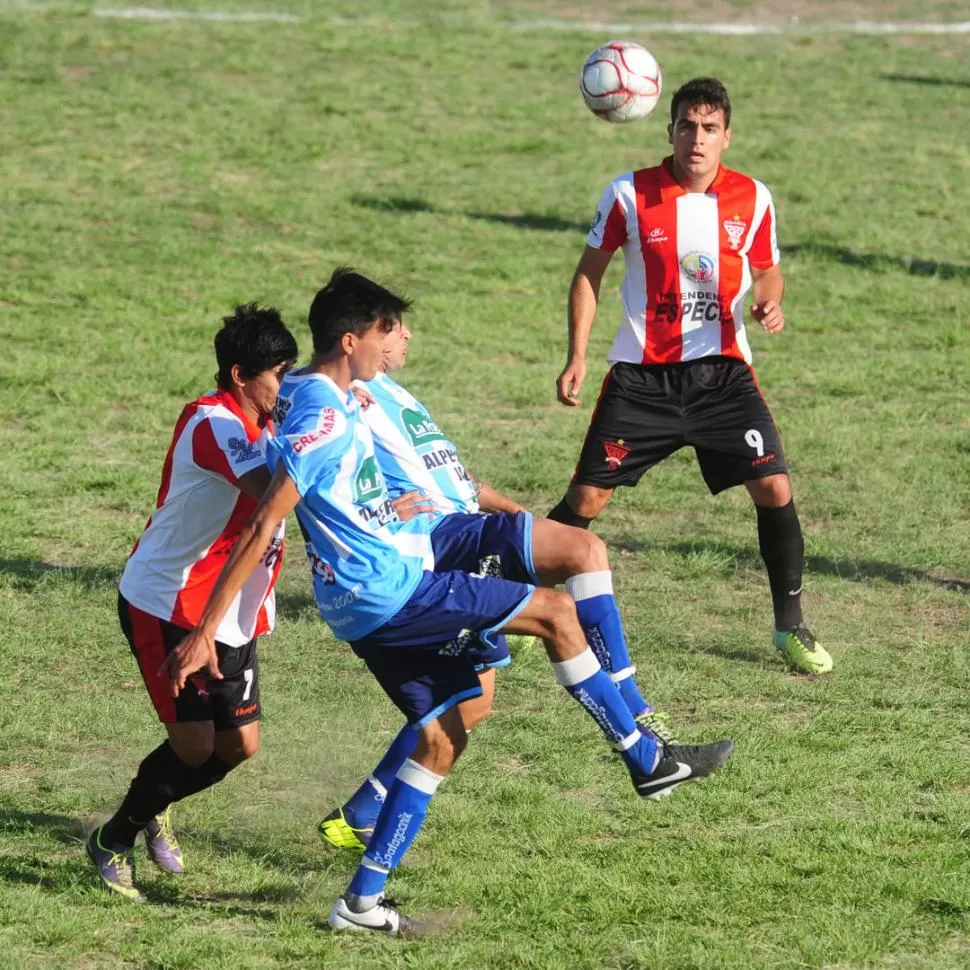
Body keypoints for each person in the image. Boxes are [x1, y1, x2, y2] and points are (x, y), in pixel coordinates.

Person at [161, 267, 734, 935]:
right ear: (350, 341)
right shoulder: (319, 408)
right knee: (554, 613)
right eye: (386, 331)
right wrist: (205, 631)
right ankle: (643, 756)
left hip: (369, 596)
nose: (395, 341)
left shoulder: (342, 398)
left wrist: (398, 506)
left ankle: (360, 904)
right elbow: (268, 518)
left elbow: (337, 491)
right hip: (388, 590)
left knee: (443, 736)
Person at [318, 312, 678, 853]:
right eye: (393, 328)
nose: (406, 336)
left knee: (473, 700)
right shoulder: (344, 401)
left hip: (467, 525)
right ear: (357, 338)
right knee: (582, 556)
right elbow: (317, 469)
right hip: (442, 541)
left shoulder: (398, 397)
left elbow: (458, 479)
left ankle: (357, 815)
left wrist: (518, 513)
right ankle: (640, 724)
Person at [548, 77, 833, 676]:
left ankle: (790, 626)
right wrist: (577, 355)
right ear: (669, 129)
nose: (696, 139)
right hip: (642, 379)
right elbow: (588, 275)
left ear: (726, 135)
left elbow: (768, 268)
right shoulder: (628, 193)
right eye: (686, 126)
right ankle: (519, 606)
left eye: (709, 129)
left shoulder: (753, 197)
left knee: (775, 488)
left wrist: (769, 299)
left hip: (723, 377)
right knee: (586, 498)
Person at [86, 305, 298, 901]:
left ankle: (159, 797)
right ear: (239, 375)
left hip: (232, 611)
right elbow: (274, 494)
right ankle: (113, 838)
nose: (284, 386)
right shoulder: (216, 425)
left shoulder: (269, 424)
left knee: (239, 747)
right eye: (277, 374)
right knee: (196, 746)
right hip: (169, 604)